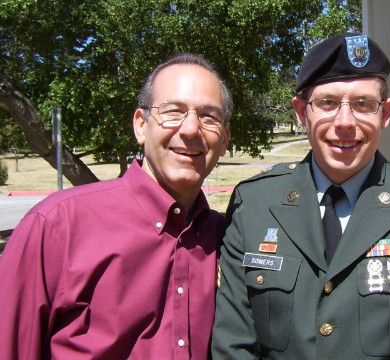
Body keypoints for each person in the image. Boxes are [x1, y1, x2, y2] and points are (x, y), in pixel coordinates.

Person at [212, 33, 390, 359]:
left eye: (363, 104)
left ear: (385, 114)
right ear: (302, 113)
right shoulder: (253, 204)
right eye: (327, 103)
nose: (345, 122)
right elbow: (233, 347)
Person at [0, 53, 232, 359]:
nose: (190, 129)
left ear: (225, 139)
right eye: (172, 111)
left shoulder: (227, 237)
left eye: (208, 116)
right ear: (140, 125)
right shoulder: (59, 224)